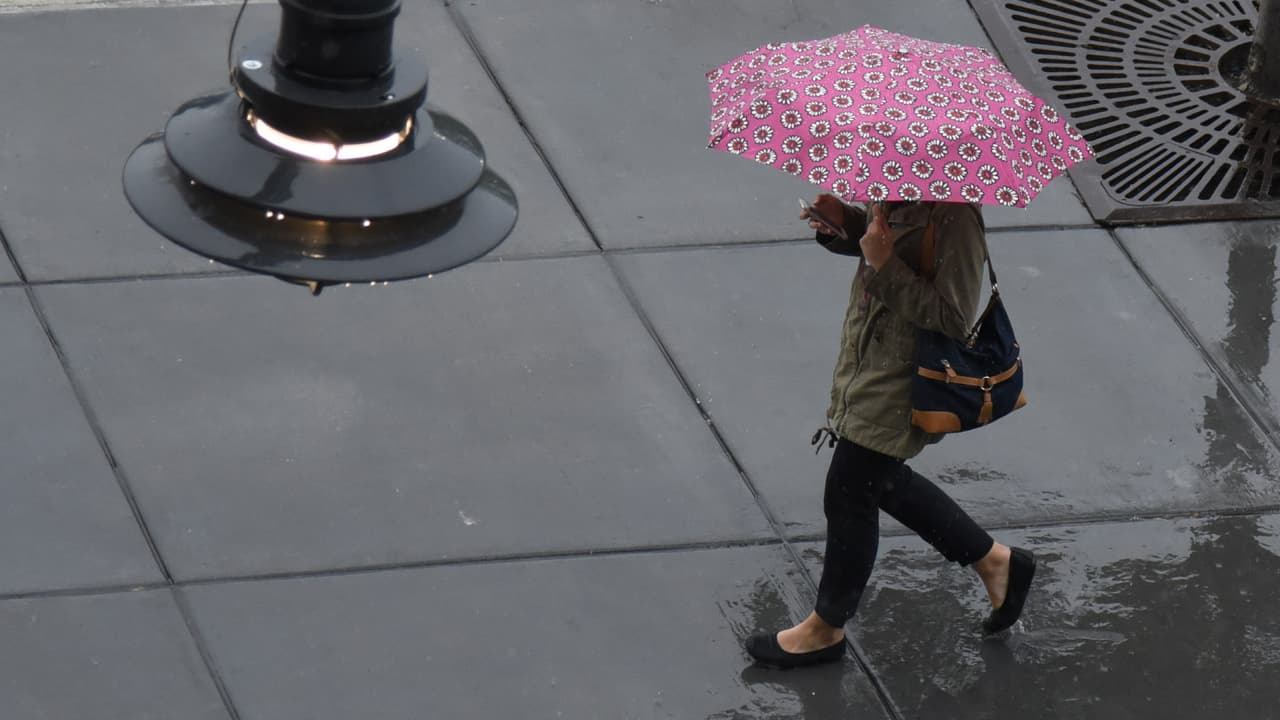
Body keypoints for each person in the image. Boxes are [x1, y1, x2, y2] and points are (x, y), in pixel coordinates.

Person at [744, 195, 1036, 669]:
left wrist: (882, 264)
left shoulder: (957, 217)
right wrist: (845, 224)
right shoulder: (902, 186)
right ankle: (996, 562)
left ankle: (826, 627)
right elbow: (889, 245)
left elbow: (954, 317)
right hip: (869, 361)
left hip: (902, 377)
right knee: (878, 480)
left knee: (848, 489)